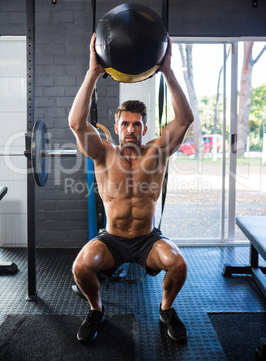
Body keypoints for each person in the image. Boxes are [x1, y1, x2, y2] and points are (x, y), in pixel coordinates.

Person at [68, 33, 194, 343]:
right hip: (112, 240)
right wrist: (93, 72)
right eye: (125, 123)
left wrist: (167, 70)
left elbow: (185, 119)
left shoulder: (157, 151)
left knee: (178, 264)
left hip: (147, 241)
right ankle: (96, 310)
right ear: (116, 127)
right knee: (81, 267)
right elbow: (75, 123)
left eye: (137, 124)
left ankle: (166, 309)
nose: (131, 129)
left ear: (145, 128)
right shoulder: (102, 153)